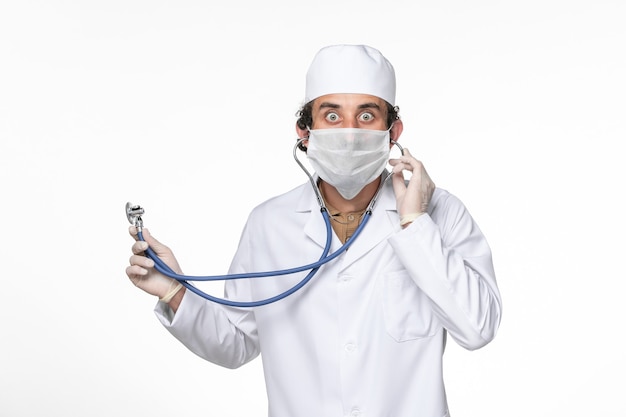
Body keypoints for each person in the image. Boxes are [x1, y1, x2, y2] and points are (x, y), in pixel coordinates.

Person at [126, 44, 502, 417]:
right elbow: (235, 343)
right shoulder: (270, 224)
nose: (351, 133)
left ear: (393, 131)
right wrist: (174, 290)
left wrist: (415, 224)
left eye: (367, 115)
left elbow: (477, 327)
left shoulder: (441, 213)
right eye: (333, 117)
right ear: (305, 132)